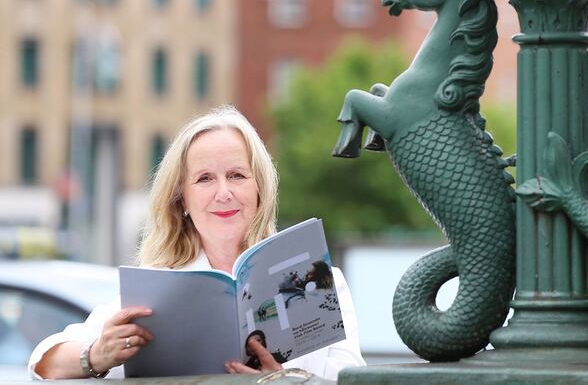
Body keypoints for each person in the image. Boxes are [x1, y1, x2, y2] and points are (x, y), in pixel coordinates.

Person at [28, 106, 365, 379]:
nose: (223, 193)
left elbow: (352, 378)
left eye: (237, 175)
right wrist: (96, 356)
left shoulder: (321, 279)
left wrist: (288, 380)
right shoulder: (155, 290)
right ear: (183, 201)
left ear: (259, 189)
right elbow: (44, 362)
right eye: (205, 179)